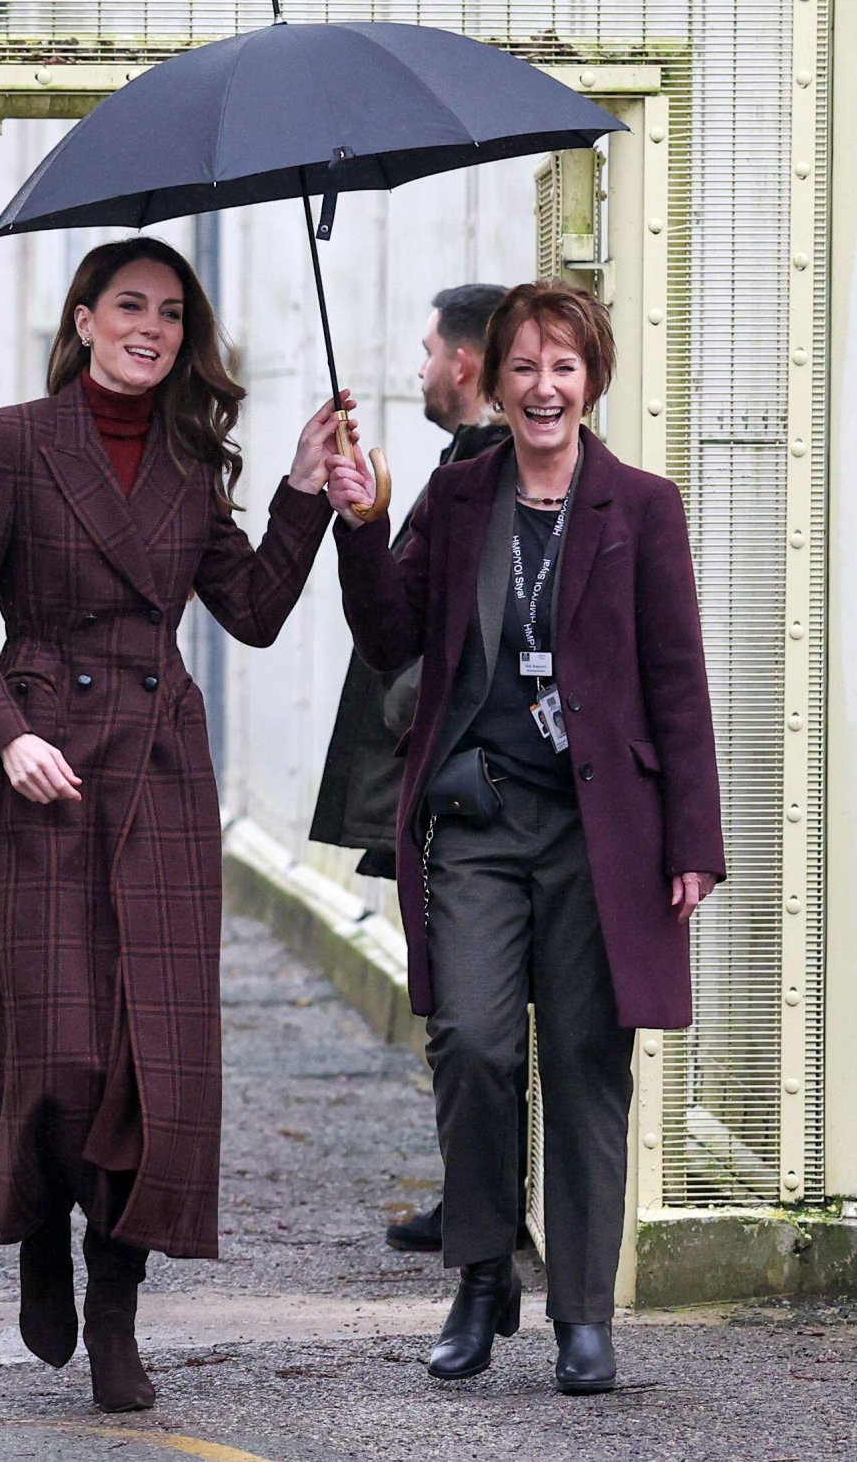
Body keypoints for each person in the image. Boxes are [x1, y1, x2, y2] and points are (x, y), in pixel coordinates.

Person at [0, 236, 343, 1412]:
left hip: (159, 774)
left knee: (146, 1065)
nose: (151, 327)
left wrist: (306, 486)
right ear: (86, 316)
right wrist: (8, 733)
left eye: (170, 312)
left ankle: (117, 1311)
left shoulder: (189, 459)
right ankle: (45, 1231)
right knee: (55, 1047)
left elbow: (251, 612)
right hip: (42, 771)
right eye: (130, 306)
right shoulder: (14, 440)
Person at [324, 280, 724, 1394]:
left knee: (591, 1064)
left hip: (605, 828)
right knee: (476, 1043)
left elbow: (676, 681)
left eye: (564, 367)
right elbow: (392, 634)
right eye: (523, 368)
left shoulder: (643, 505)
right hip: (479, 816)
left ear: (591, 377)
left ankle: (584, 1315)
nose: (543, 389)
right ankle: (483, 1271)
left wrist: (693, 836)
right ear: (493, 382)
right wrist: (360, 525)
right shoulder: (458, 499)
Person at [309, 284, 511, 1255]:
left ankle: (487, 1204)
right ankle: (477, 1193)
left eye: (429, 349)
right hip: (436, 773)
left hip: (469, 782)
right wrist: (363, 515)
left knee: (467, 1004)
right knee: (461, 1003)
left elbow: (412, 642)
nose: (419, 366)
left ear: (464, 363)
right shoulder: (452, 472)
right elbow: (391, 622)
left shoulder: (499, 475)